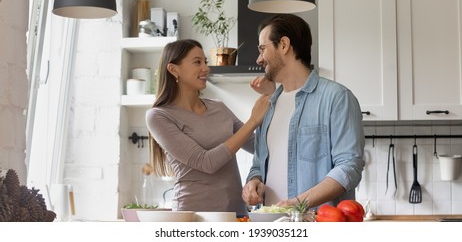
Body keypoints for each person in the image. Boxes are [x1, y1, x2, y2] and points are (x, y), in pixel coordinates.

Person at [242, 14, 365, 210]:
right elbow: (258, 164)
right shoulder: (268, 105)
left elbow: (348, 167)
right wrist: (253, 182)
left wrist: (296, 205)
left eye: (263, 49)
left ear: (283, 45)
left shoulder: (336, 98)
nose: (259, 59)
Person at [146, 39, 270, 217]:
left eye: (205, 61)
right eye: (197, 62)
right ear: (174, 69)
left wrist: (271, 95)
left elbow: (259, 146)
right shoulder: (159, 116)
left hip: (236, 214)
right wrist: (253, 121)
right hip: (194, 218)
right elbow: (207, 162)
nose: (206, 68)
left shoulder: (219, 107)